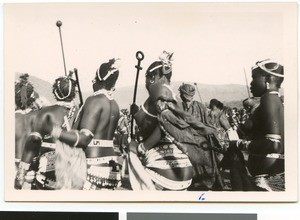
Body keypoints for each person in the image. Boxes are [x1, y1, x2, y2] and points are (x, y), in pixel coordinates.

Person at [38, 58, 122, 190]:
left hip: (92, 168)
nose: (92, 80)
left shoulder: (94, 101)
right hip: (112, 169)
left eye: (95, 77)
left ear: (99, 79)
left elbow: (84, 139)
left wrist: (54, 130)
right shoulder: (114, 105)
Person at [128, 51, 195, 190]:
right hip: (181, 170)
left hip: (164, 172)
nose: (146, 83)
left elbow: (165, 124)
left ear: (152, 77)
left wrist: (142, 147)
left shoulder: (158, 89)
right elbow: (151, 124)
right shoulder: (169, 93)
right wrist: (137, 113)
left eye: (146, 78)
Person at [226, 59, 285, 191]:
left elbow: (274, 144)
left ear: (268, 78)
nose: (251, 83)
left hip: (268, 176)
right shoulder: (270, 100)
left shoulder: (269, 99)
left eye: (254, 78)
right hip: (266, 172)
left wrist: (239, 144)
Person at [15, 74, 80, 190]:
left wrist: (22, 172)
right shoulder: (79, 112)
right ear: (73, 93)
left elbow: (34, 141)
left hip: (48, 172)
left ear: (55, 92)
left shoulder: (46, 112)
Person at [178, 83, 224, 190]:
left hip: (201, 142)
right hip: (187, 141)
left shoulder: (199, 106)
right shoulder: (180, 107)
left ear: (182, 94)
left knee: (205, 166)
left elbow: (208, 124)